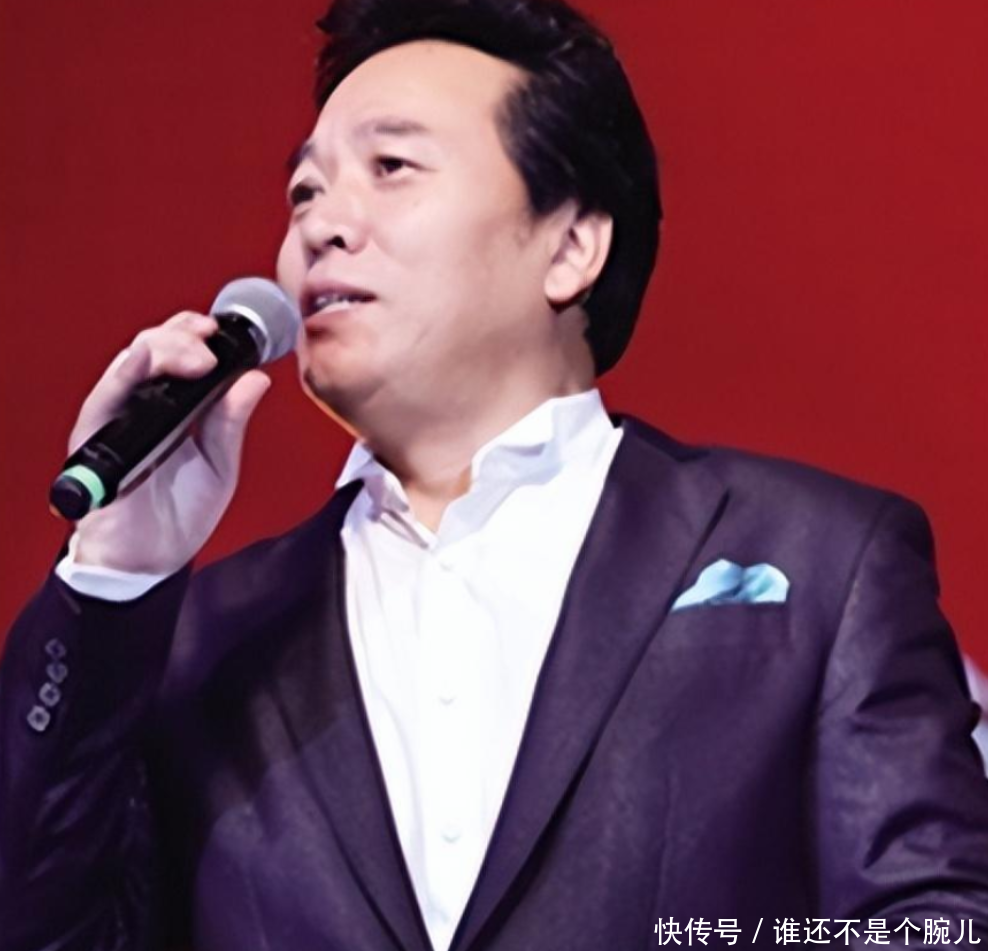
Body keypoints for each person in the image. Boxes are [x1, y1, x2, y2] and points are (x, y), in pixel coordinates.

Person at [2, 0, 987, 948]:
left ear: (570, 246)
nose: (321, 225)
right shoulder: (207, 638)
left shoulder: (818, 560)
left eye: (392, 167)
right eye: (304, 190)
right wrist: (114, 574)